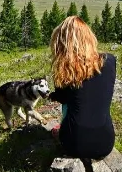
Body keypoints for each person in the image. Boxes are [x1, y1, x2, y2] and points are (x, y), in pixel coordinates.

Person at [48, 16, 116, 161]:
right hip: (106, 142)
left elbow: (63, 98)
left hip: (73, 144)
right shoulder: (110, 60)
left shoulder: (64, 70)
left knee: (69, 104)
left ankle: (64, 129)